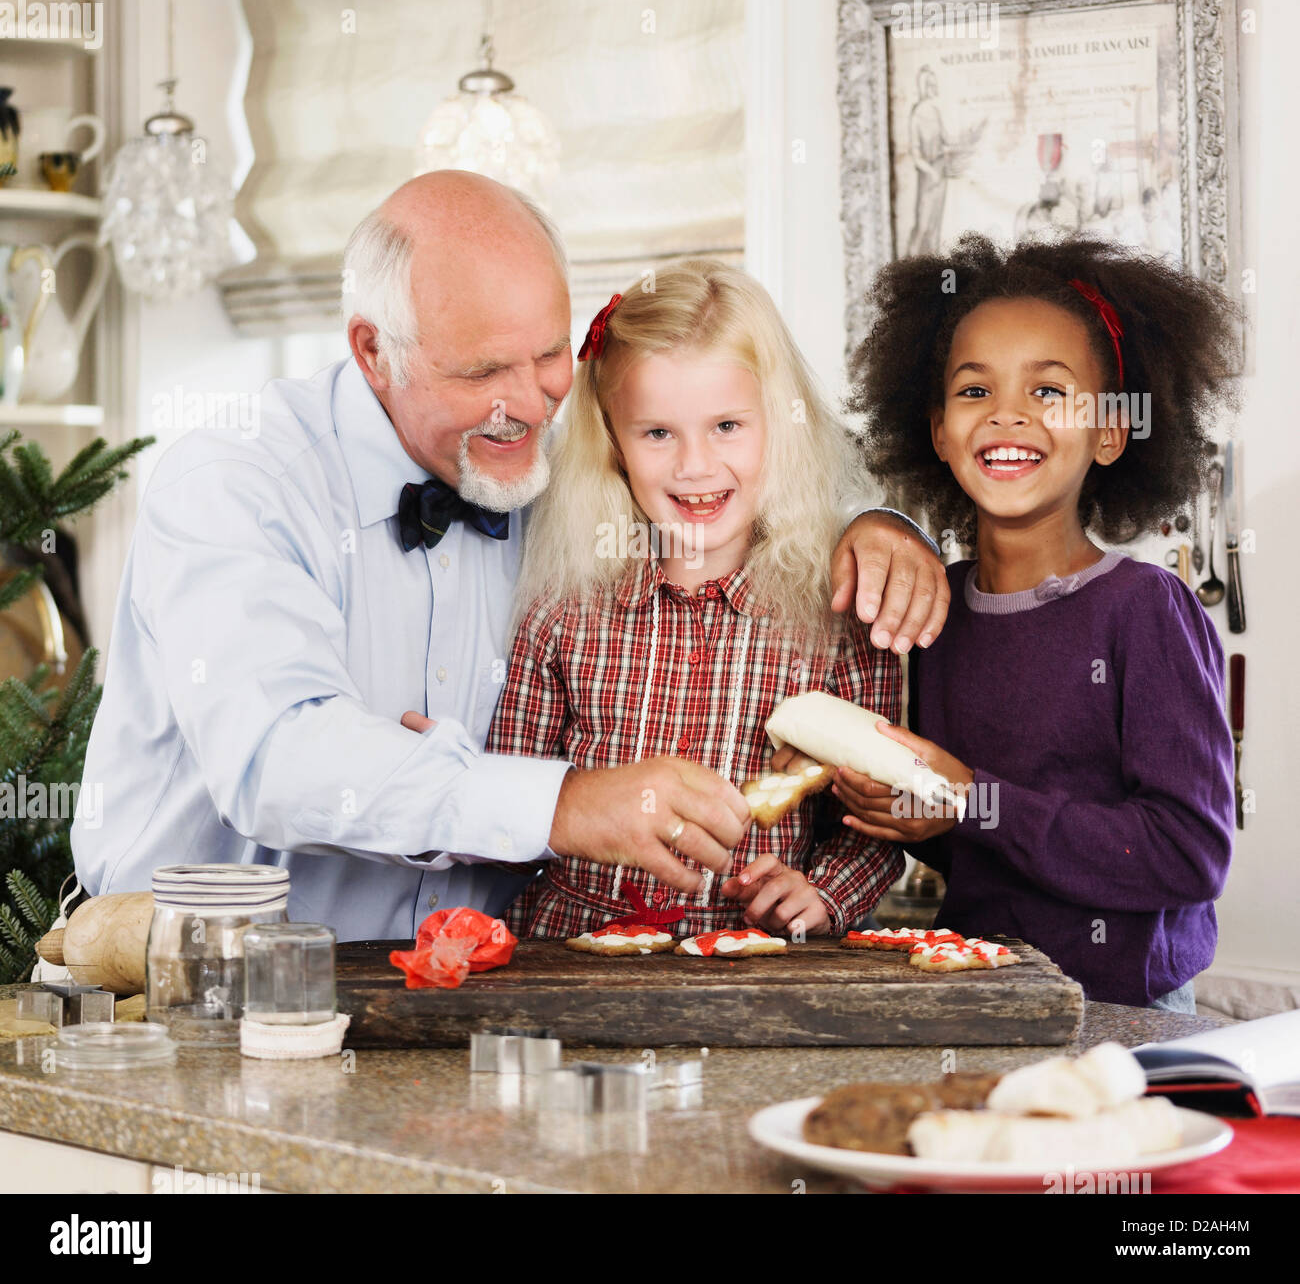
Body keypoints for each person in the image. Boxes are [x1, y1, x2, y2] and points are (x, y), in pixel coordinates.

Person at [71, 171, 948, 942]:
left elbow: (729, 485)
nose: (527, 406)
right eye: (485, 371)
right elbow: (276, 762)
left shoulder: (545, 476)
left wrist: (874, 523)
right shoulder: (237, 481)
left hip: (464, 994)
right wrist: (563, 803)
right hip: (204, 982)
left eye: (546, 357)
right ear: (375, 350)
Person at [833, 231, 1240, 1010]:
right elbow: (980, 840)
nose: (1008, 417)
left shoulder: (1146, 609)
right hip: (972, 991)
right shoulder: (933, 611)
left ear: (1111, 432)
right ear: (939, 434)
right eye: (975, 392)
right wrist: (917, 815)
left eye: (1048, 392)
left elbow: (1187, 856)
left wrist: (968, 799)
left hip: (1122, 1009)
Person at [486, 259, 904, 939]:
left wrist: (821, 894)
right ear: (615, 446)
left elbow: (875, 820)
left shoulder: (839, 618)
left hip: (751, 962)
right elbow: (508, 802)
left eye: (728, 427)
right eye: (657, 433)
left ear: (780, 426)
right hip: (573, 954)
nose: (695, 466)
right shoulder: (562, 606)